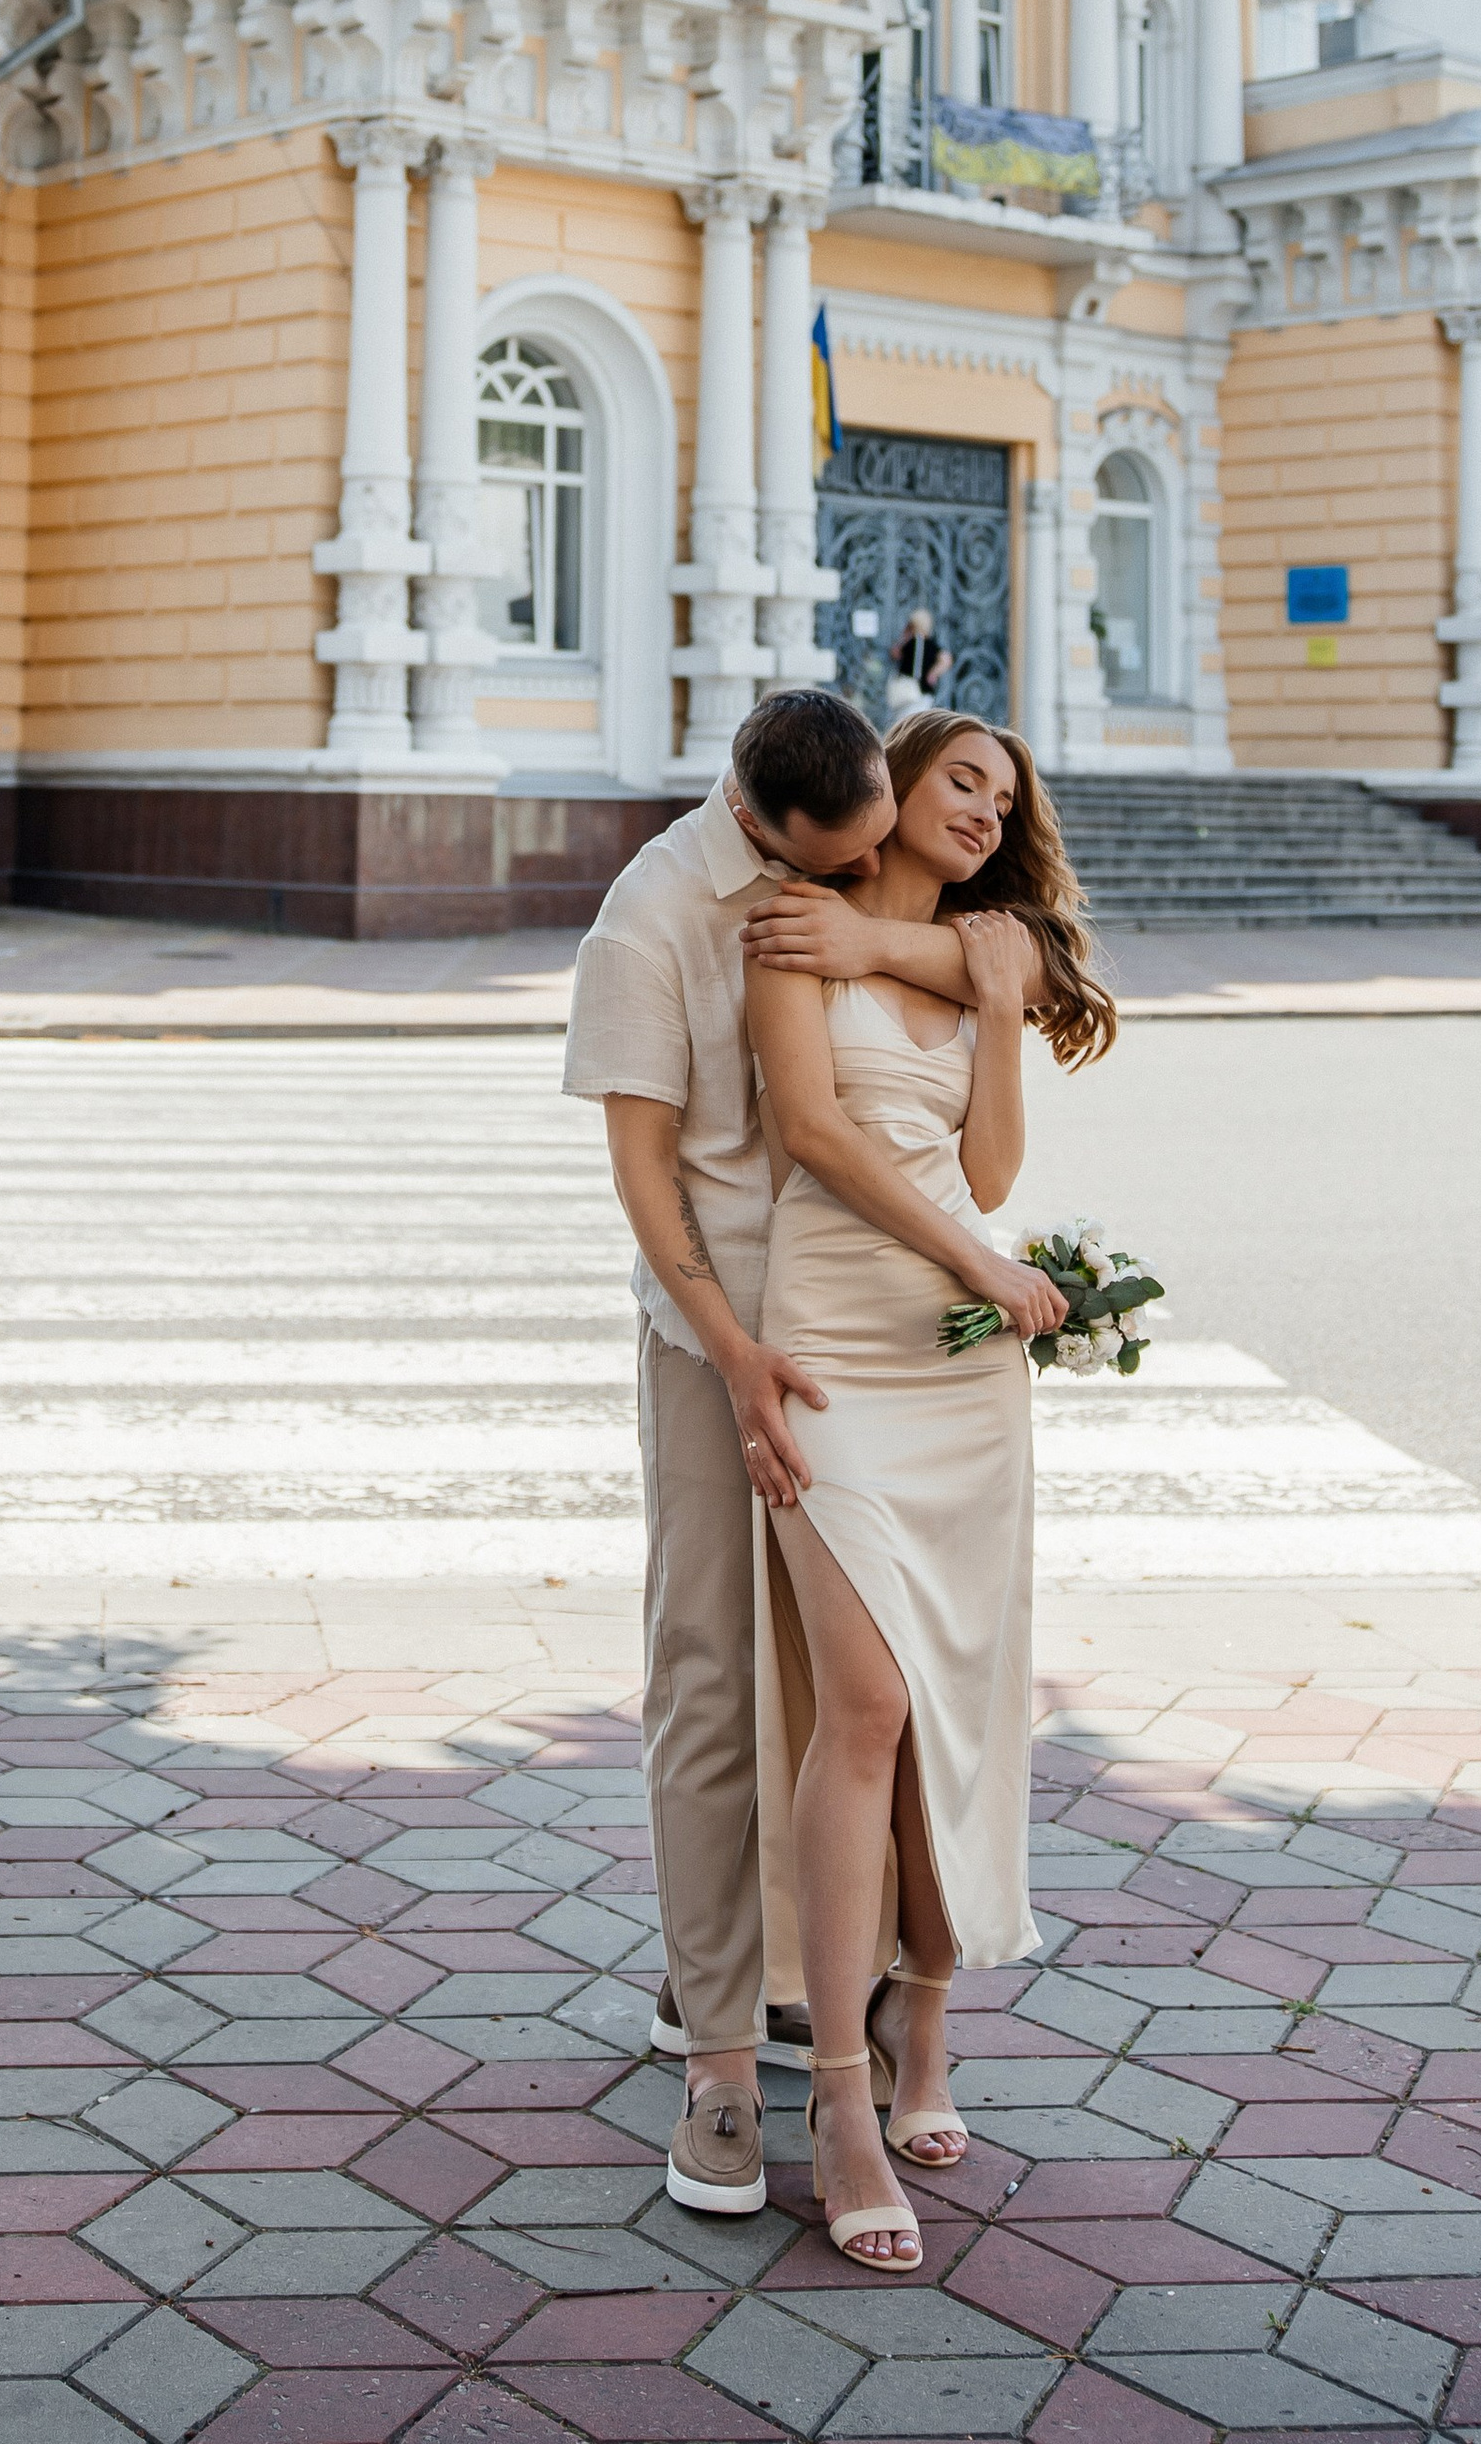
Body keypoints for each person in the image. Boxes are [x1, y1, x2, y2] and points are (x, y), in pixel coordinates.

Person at [563, 687, 1084, 2220]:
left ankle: (827, 1991)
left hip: (914, 1346)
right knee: (722, 1681)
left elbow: (997, 1019)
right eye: (838, 865)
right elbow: (661, 1176)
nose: (846, 883)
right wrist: (731, 1350)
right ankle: (722, 2052)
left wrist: (941, 964)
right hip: (729, 1322)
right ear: (770, 825)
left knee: (871, 1696)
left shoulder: (853, 897)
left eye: (868, 859)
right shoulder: (660, 919)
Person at [743, 708, 1117, 2268]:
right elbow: (812, 1130)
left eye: (1005, 798)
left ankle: (930, 2034)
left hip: (963, 1367)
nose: (985, 808)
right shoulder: (790, 926)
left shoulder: (997, 958)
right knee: (870, 1706)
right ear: (893, 784)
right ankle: (836, 2097)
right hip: (833, 1329)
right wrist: (977, 1257)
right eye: (964, 778)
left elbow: (998, 1169)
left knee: (957, 1699)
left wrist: (975, 985)